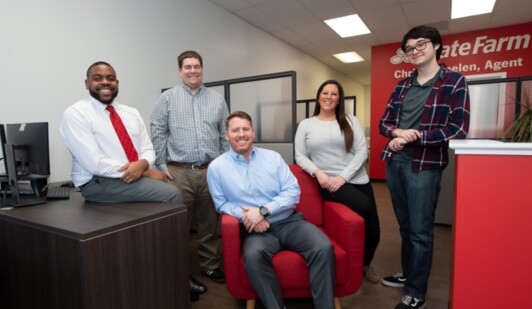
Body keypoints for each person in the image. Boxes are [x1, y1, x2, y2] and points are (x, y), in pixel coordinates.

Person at [379, 25, 470, 309]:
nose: (415, 51)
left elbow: (459, 128)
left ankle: (416, 293)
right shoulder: (402, 85)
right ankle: (408, 275)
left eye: (421, 45)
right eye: (409, 48)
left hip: (425, 166)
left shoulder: (454, 82)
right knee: (406, 228)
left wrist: (416, 135)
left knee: (420, 232)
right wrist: (396, 135)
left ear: (436, 47)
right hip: (395, 163)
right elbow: (385, 123)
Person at [207, 111, 336, 309]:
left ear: (253, 132)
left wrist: (263, 211)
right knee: (253, 256)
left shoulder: (273, 158)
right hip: (256, 231)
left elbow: (293, 192)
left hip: (289, 222)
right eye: (235, 130)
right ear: (226, 135)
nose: (241, 134)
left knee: (323, 247)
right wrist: (248, 217)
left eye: (245, 129)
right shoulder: (216, 168)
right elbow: (221, 203)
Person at [150, 50, 229, 296]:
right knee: (178, 226)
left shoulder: (216, 99)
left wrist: (226, 166)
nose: (193, 70)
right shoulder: (168, 99)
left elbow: (224, 135)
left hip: (210, 171)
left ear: (202, 69)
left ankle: (209, 266)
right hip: (177, 172)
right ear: (180, 70)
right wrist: (161, 166)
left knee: (208, 222)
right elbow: (158, 132)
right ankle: (178, 271)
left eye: (196, 66)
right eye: (188, 67)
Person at [294, 80, 381, 283]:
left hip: (356, 179)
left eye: (334, 94)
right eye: (325, 93)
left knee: (374, 231)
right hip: (328, 183)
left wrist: (344, 177)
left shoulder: (350, 120)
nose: (329, 97)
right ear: (318, 96)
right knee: (363, 206)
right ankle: (348, 262)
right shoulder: (306, 124)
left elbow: (361, 151)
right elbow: (300, 156)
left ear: (339, 99)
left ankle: (365, 264)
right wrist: (319, 173)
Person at [60, 61, 182, 205]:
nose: (105, 82)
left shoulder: (131, 113)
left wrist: (143, 163)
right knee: (173, 194)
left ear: (117, 83)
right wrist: (145, 172)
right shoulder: (76, 114)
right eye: (98, 78)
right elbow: (95, 163)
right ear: (87, 84)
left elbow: (147, 149)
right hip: (98, 180)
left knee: (174, 186)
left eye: (110, 78)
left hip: (131, 176)